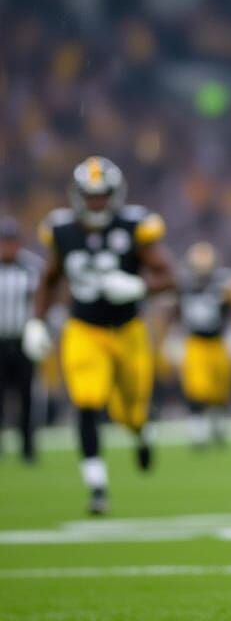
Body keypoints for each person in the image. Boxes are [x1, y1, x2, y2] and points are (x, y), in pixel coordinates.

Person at [22, 157, 175, 514]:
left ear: (115, 195)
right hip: (84, 330)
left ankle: (140, 433)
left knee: (131, 412)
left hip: (128, 330)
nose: (96, 203)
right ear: (77, 196)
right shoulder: (62, 230)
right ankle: (97, 487)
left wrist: (137, 285)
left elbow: (169, 277)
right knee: (87, 400)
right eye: (90, 196)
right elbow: (49, 280)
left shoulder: (135, 226)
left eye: (102, 195)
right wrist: (37, 321)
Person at [175, 242, 231, 448]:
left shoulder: (223, 282)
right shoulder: (184, 284)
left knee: (220, 388)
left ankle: (217, 425)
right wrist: (173, 335)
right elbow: (174, 311)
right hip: (195, 342)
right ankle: (198, 431)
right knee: (197, 387)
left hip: (219, 340)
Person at [0, 217, 44, 462]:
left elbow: (44, 301)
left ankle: (28, 447)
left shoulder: (32, 268)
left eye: (11, 242)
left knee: (27, 395)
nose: (7, 247)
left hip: (22, 341)